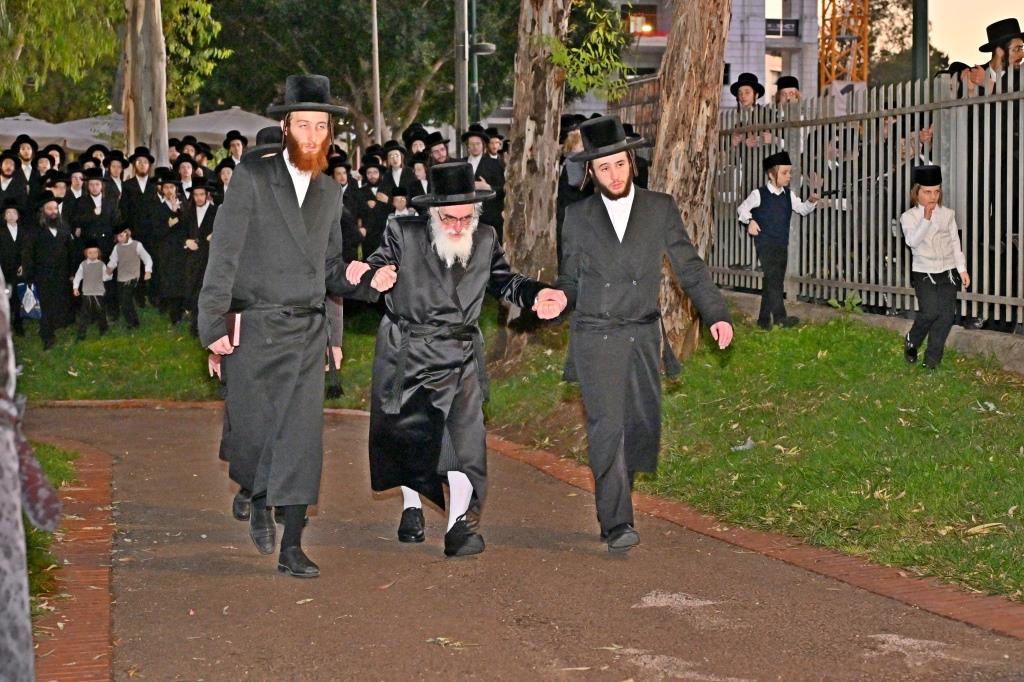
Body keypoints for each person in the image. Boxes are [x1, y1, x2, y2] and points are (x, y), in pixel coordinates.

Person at [198, 74, 382, 578]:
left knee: (301, 441)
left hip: (306, 332)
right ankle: (258, 498)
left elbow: (330, 269)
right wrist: (212, 324)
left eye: (320, 127)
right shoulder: (253, 178)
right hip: (256, 326)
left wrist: (367, 278)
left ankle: (293, 545)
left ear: (330, 134)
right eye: (303, 125)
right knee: (255, 434)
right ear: (285, 127)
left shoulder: (330, 192)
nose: (312, 136)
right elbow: (224, 256)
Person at [349, 161, 566, 556]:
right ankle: (412, 505)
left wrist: (537, 294)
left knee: (466, 443)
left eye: (466, 217)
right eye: (448, 218)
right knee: (410, 436)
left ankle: (458, 528)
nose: (457, 226)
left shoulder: (485, 238)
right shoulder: (403, 232)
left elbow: (505, 281)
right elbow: (379, 264)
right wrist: (375, 276)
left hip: (461, 354)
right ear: (433, 212)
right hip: (410, 353)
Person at [554, 115, 733, 553]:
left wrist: (715, 314)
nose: (614, 174)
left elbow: (689, 268)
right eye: (604, 167)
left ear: (631, 162)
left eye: (620, 164)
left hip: (642, 334)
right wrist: (558, 299)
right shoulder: (576, 217)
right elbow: (570, 280)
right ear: (591, 172)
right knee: (607, 427)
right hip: (596, 333)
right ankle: (617, 520)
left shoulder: (659, 208)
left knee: (637, 428)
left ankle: (615, 497)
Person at [737, 151, 819, 330]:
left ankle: (763, 320)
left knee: (773, 280)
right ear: (771, 174)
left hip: (782, 243)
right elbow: (742, 209)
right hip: (764, 244)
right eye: (784, 172)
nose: (789, 176)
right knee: (774, 279)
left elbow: (802, 209)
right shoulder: (758, 194)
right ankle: (781, 318)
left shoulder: (789, 195)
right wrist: (750, 221)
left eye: (790, 172)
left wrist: (811, 201)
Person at [901, 165, 969, 369]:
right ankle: (912, 340)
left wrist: (962, 269)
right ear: (916, 192)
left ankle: (931, 362)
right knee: (930, 312)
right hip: (924, 271)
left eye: (936, 192)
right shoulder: (909, 217)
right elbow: (912, 241)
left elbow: (955, 242)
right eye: (927, 192)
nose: (933, 197)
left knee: (946, 317)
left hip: (948, 271)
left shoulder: (947, 214)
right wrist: (926, 219)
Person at [23, 192, 76, 350]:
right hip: (43, 274)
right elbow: (28, 254)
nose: (53, 211)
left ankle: (57, 323)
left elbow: (70, 250)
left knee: (59, 300)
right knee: (45, 304)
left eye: (55, 208)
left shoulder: (64, 226)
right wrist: (29, 275)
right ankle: (47, 336)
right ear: (42, 211)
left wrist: (72, 271)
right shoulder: (34, 230)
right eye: (50, 209)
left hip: (62, 273)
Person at [182, 176, 217, 336]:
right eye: (196, 195)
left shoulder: (216, 212)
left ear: (207, 194)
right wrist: (186, 241)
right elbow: (181, 232)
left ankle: (198, 325)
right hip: (191, 259)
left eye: (202, 194)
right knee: (192, 289)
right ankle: (196, 321)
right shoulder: (188, 212)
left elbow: (224, 232)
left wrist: (215, 235)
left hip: (209, 258)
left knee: (204, 291)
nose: (199, 198)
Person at [461, 124, 506, 243]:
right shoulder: (461, 164)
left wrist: (488, 187)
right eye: (471, 144)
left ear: (483, 145)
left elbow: (503, 189)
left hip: (489, 217)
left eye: (478, 144)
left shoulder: (494, 164)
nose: (475, 147)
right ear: (467, 146)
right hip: (465, 217)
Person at [154, 172, 188, 325]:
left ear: (176, 189)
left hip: (181, 249)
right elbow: (156, 231)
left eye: (171, 187)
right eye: (166, 187)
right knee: (169, 281)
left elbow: (187, 225)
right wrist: (168, 225)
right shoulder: (158, 207)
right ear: (162, 189)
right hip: (166, 250)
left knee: (181, 279)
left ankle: (182, 309)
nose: (169, 190)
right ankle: (173, 315)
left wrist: (176, 211)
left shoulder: (184, 205)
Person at [106, 224, 153, 329]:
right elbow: (113, 261)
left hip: (132, 277)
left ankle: (134, 323)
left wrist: (148, 271)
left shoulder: (137, 245)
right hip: (121, 278)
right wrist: (108, 270)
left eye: (121, 236)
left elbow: (147, 258)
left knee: (126, 300)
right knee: (124, 302)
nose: (120, 239)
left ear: (127, 234)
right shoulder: (117, 248)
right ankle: (132, 321)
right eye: (118, 237)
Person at [72, 240, 111, 339]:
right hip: (87, 293)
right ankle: (82, 333)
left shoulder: (101, 264)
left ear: (98, 253)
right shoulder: (83, 265)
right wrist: (75, 288)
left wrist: (109, 274)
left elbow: (106, 277)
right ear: (86, 253)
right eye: (90, 253)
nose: (93, 255)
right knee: (84, 314)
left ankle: (104, 329)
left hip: (99, 293)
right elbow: (78, 276)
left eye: (95, 252)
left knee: (101, 312)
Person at [0, 199, 25, 336]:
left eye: (14, 212)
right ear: (4, 216)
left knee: (18, 296)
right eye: (8, 213)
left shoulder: (24, 231)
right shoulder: (1, 231)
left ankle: (18, 323)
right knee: (7, 297)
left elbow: (27, 250)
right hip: (5, 270)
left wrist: (24, 264)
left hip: (20, 270)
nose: (11, 215)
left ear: (18, 215)